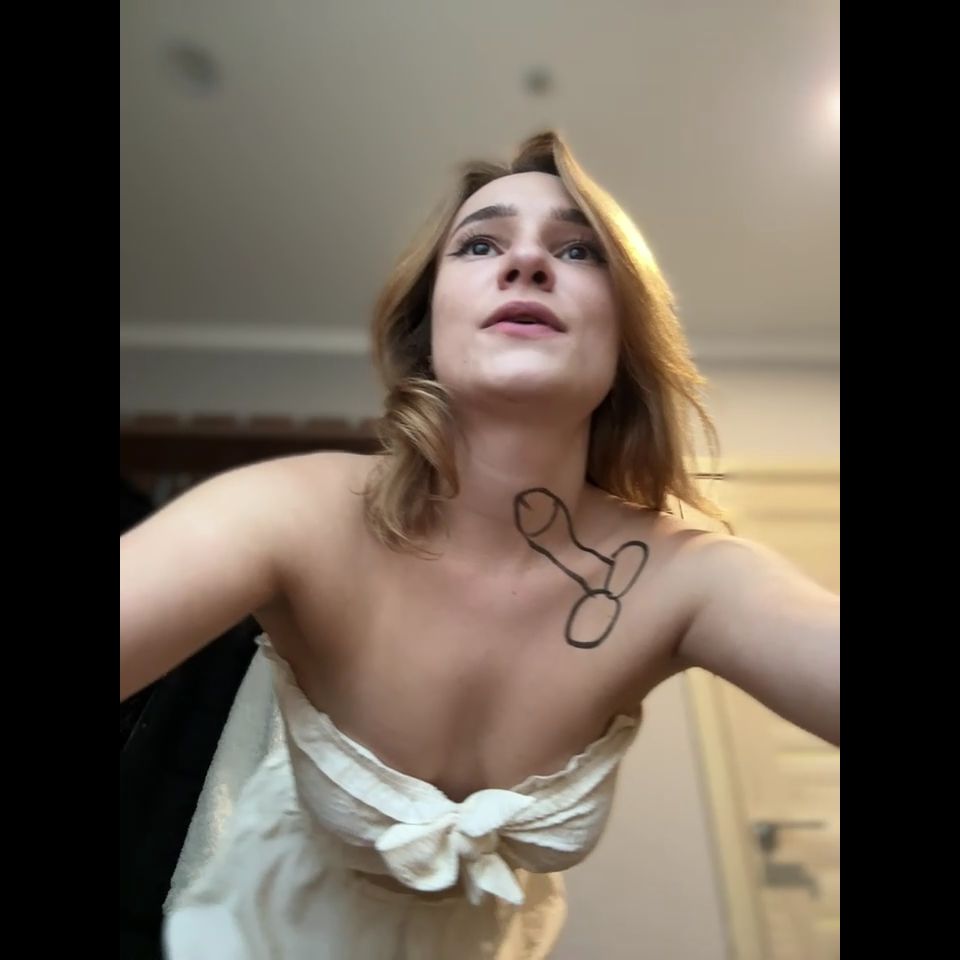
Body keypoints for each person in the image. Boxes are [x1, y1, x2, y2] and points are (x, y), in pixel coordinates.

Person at [120, 131, 839, 959]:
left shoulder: (687, 578)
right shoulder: (293, 512)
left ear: (625, 333)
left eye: (578, 250)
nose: (528, 262)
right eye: (481, 244)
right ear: (426, 327)